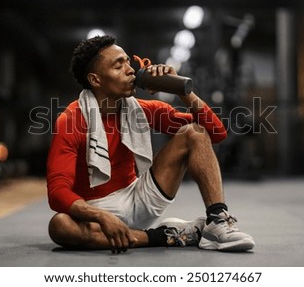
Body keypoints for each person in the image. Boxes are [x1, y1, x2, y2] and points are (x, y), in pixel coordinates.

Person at [47, 35, 254, 254]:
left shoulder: (142, 109)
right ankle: (164, 236)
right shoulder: (71, 120)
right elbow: (57, 191)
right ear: (95, 80)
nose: (130, 70)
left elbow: (215, 133)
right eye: (119, 66)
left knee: (194, 132)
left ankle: (217, 223)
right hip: (95, 210)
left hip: (139, 196)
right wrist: (100, 216)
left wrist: (182, 91)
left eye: (128, 62)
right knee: (60, 226)